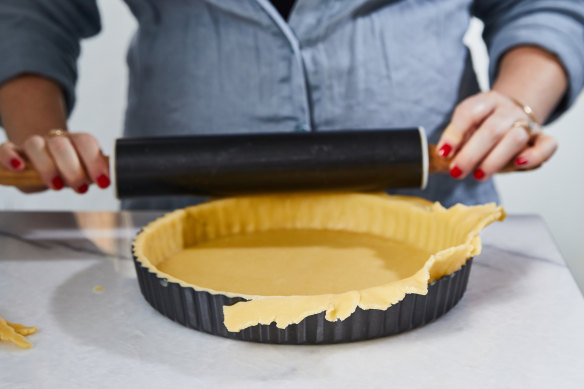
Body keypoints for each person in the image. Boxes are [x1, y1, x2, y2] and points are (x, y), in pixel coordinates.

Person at [0, 0, 582, 210]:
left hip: (436, 215)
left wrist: (514, 103)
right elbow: (30, 9)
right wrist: (41, 137)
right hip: (179, 223)